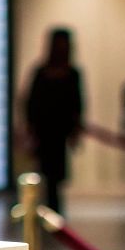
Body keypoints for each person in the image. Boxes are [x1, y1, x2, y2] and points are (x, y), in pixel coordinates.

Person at [22, 28, 84, 213]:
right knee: (45, 171)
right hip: (43, 131)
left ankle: (54, 207)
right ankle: (48, 206)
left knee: (57, 173)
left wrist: (75, 130)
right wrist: (30, 128)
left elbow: (77, 102)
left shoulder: (72, 73)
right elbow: (31, 102)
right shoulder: (41, 72)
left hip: (61, 131)